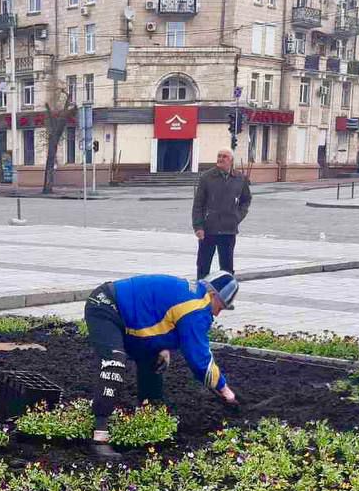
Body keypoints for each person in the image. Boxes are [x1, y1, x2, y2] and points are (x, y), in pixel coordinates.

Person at [84, 273, 241, 459]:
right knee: (114, 362)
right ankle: (99, 437)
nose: (216, 314)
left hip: (126, 313)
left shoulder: (193, 294)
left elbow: (158, 312)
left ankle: (149, 414)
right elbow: (200, 360)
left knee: (154, 358)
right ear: (213, 295)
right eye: (220, 307)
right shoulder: (198, 305)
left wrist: (163, 346)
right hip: (106, 306)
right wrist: (225, 391)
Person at [192, 149, 252, 281]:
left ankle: (225, 298)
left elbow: (246, 199)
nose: (220, 159)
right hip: (209, 229)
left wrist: (238, 216)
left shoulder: (239, 178)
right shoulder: (206, 177)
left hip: (228, 230)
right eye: (219, 156)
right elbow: (198, 204)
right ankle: (201, 297)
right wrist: (198, 227)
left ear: (231, 160)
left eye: (224, 157)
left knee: (227, 269)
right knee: (203, 266)